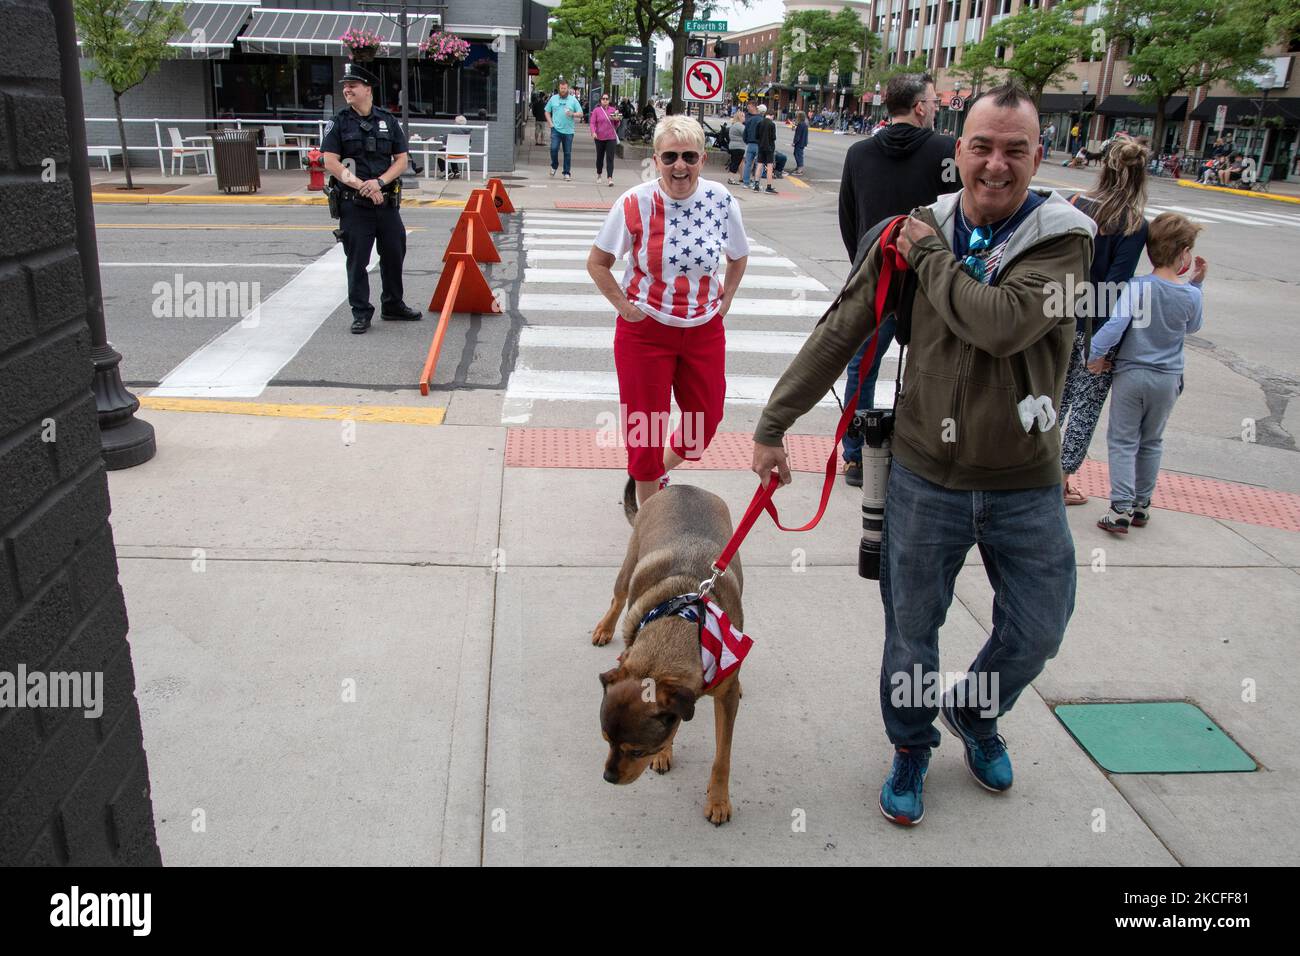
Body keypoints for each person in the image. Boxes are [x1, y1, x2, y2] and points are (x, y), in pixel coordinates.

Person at [752, 82, 1096, 827]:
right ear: (957, 150)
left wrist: (929, 254)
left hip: (1023, 480)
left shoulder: (1063, 238)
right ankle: (911, 746)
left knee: (1040, 625)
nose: (996, 164)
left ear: (1039, 155)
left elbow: (1000, 325)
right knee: (912, 631)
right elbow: (840, 330)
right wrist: (773, 424)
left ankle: (974, 713)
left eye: (1014, 149)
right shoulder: (909, 234)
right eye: (982, 146)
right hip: (923, 475)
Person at [586, 115, 751, 506]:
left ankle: (655, 472)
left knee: (703, 423)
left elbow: (738, 256)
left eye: (690, 156)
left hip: (703, 328)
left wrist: (725, 301)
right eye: (671, 156)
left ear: (703, 158)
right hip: (646, 330)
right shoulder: (635, 202)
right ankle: (648, 525)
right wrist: (626, 309)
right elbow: (597, 263)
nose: (680, 166)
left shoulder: (721, 201)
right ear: (657, 159)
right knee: (645, 431)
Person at [836, 72, 959, 486]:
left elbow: (849, 220)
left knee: (862, 368)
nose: (937, 108)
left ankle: (856, 457)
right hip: (930, 284)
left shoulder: (859, 154)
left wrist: (865, 265)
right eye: (934, 101)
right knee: (929, 370)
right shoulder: (946, 151)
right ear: (920, 106)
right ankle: (919, 453)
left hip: (877, 279)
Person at [1091, 213, 1206, 534]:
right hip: (1169, 379)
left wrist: (1093, 354)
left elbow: (1116, 325)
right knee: (1152, 440)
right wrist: (1196, 283)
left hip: (1131, 375)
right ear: (1184, 253)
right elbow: (1193, 326)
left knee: (1123, 440)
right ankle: (1142, 504)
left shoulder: (1137, 287)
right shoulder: (1191, 294)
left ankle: (1120, 508)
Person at [1058, 138, 1150, 506]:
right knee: (1084, 405)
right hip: (1095, 327)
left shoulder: (1075, 204)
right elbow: (1115, 285)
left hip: (1057, 316)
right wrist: (1101, 344)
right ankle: (1062, 480)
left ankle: (1033, 468)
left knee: (1052, 398)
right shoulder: (1133, 222)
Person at [321, 62, 421, 335]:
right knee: (357, 260)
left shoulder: (387, 120)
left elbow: (401, 160)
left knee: (394, 254)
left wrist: (378, 183)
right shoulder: (338, 122)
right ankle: (361, 312)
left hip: (386, 202)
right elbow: (330, 161)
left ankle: (392, 305)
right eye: (345, 86)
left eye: (352, 86)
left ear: (368, 88)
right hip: (354, 204)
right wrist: (361, 185)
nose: (347, 90)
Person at [545, 80, 584, 180]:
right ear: (559, 88)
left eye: (564, 88)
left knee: (567, 152)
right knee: (553, 149)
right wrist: (550, 123)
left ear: (568, 88)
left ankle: (566, 173)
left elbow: (581, 113)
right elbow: (547, 111)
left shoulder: (573, 100)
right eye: (561, 88)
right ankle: (554, 165)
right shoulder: (553, 99)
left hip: (568, 131)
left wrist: (573, 114)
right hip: (556, 130)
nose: (563, 90)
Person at [590, 93, 620, 186]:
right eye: (603, 99)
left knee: (610, 158)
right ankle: (599, 174)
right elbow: (592, 123)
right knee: (600, 157)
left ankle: (610, 178)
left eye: (607, 99)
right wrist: (593, 132)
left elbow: (617, 124)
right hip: (599, 138)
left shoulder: (613, 110)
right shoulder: (596, 110)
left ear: (609, 100)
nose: (605, 100)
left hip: (611, 137)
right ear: (600, 100)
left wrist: (616, 119)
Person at [753, 104, 777, 193]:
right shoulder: (772, 124)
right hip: (769, 148)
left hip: (761, 147)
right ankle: (769, 186)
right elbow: (773, 137)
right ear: (772, 115)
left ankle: (756, 185)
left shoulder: (759, 123)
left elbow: (756, 136)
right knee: (769, 167)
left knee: (759, 165)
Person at [741, 101, 761, 187]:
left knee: (748, 163)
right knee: (759, 164)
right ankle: (756, 182)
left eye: (749, 107)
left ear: (754, 107)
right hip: (759, 144)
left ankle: (746, 182)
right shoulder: (761, 119)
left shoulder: (749, 120)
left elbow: (745, 133)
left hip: (750, 144)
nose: (748, 109)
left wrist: (747, 141)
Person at [725, 109, 747, 182]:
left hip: (733, 145)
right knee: (735, 163)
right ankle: (731, 178)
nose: (744, 118)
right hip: (738, 146)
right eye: (743, 116)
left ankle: (736, 177)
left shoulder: (734, 125)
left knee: (735, 162)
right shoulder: (739, 125)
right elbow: (746, 134)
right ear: (739, 117)